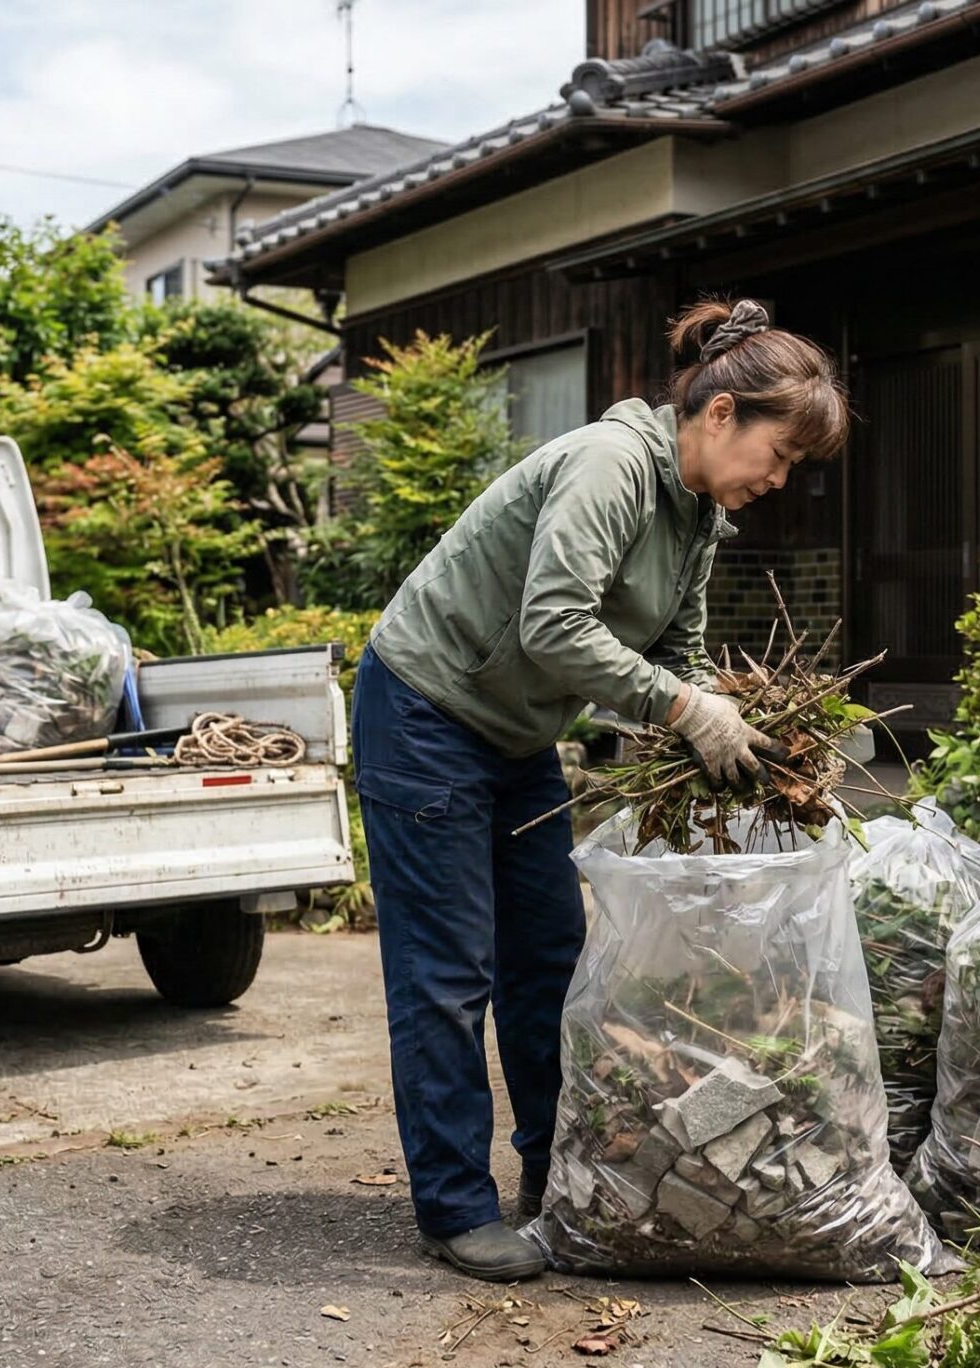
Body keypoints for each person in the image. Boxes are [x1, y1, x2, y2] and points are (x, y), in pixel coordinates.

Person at [349, 297, 852, 1280]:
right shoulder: (610, 466)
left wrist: (717, 726)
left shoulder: (697, 511)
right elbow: (554, 624)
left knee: (550, 957)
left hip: (516, 730)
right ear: (720, 416)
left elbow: (677, 650)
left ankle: (557, 1172)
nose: (779, 480)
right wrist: (680, 710)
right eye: (779, 455)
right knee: (449, 977)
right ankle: (454, 1206)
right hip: (424, 709)